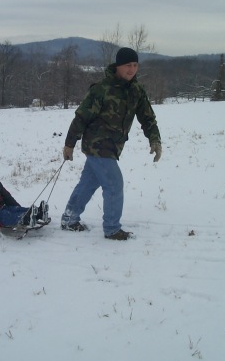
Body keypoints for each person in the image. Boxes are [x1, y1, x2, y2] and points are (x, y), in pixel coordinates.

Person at [61, 47, 162, 240]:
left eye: (135, 65)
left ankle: (69, 218)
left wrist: (155, 139)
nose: (132, 69)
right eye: (127, 65)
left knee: (88, 183)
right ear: (117, 66)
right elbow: (81, 117)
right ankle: (112, 229)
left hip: (114, 146)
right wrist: (69, 144)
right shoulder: (102, 89)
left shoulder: (136, 90)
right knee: (114, 184)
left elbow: (147, 118)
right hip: (97, 145)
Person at [0, 157, 48, 232]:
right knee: (6, 215)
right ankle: (24, 219)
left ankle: (38, 213)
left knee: (15, 210)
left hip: (1, 207)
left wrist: (16, 206)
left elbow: (7, 197)